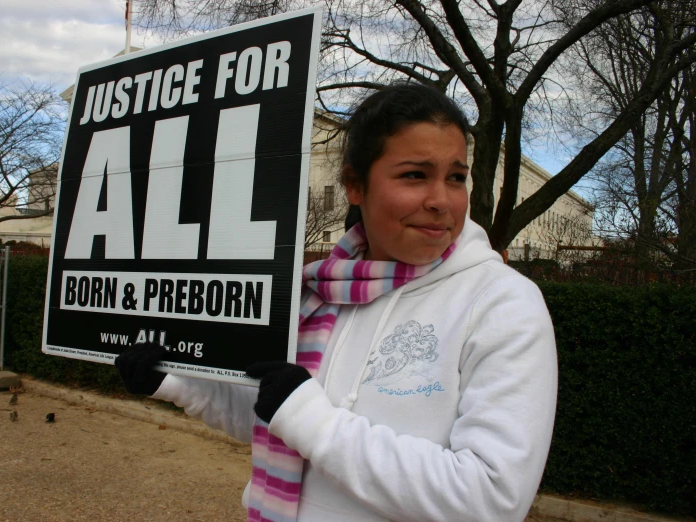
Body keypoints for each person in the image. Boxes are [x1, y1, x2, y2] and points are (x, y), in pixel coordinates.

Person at [116, 83, 558, 522]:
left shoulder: (503, 303)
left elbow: (493, 499)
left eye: (456, 177)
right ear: (354, 184)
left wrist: (314, 422)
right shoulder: (322, 290)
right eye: (414, 175)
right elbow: (274, 414)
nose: (441, 201)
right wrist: (174, 380)